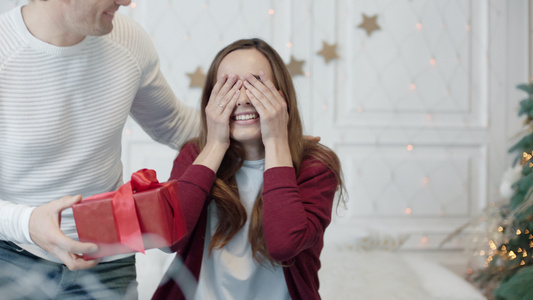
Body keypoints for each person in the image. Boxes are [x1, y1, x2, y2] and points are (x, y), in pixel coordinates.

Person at [0, 0, 199, 298]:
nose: (127, 1)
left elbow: (174, 124)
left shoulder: (128, 40)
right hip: (10, 253)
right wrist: (27, 224)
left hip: (106, 257)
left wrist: (270, 135)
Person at [152, 38, 346, 300]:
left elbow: (283, 244)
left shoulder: (316, 166)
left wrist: (277, 140)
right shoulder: (195, 156)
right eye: (229, 87)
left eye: (255, 85)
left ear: (282, 96)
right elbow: (166, 239)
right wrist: (215, 143)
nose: (242, 99)